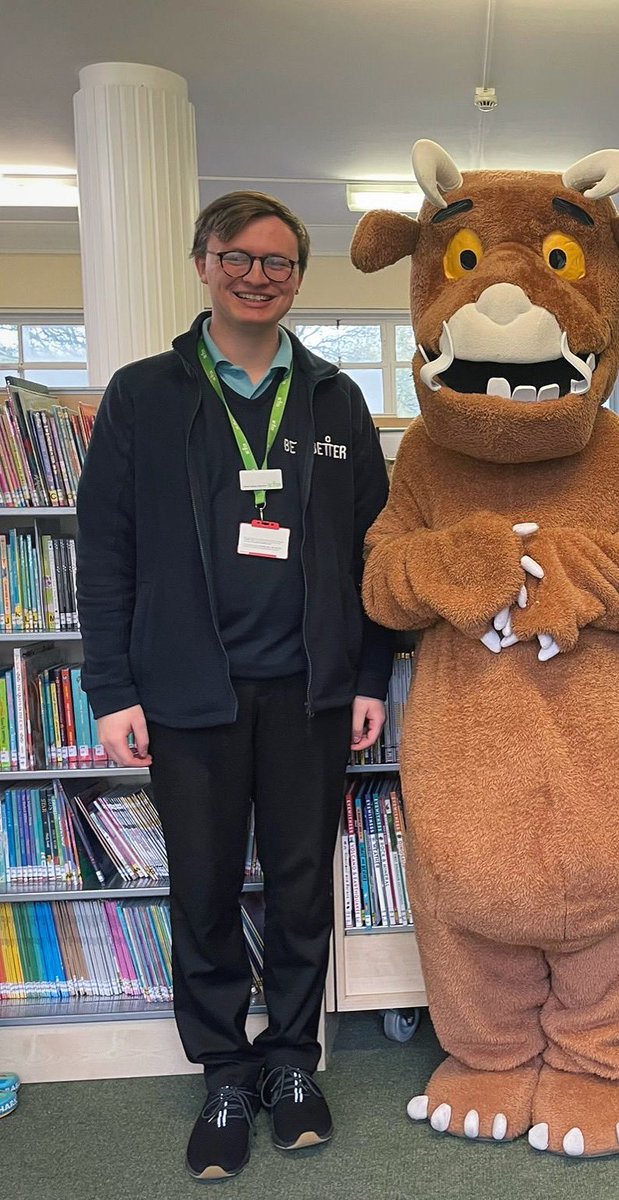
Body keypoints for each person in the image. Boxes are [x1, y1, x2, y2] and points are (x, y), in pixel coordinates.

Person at [76, 192, 392, 1181]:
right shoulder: (144, 394)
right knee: (207, 891)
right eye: (238, 257)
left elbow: (375, 556)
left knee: (300, 889)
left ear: (300, 276)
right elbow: (106, 550)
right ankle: (225, 1067)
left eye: (280, 262)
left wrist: (371, 675)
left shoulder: (337, 398)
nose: (259, 275)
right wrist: (112, 688)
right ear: (203, 263)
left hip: (310, 695)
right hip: (186, 698)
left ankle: (293, 1064)